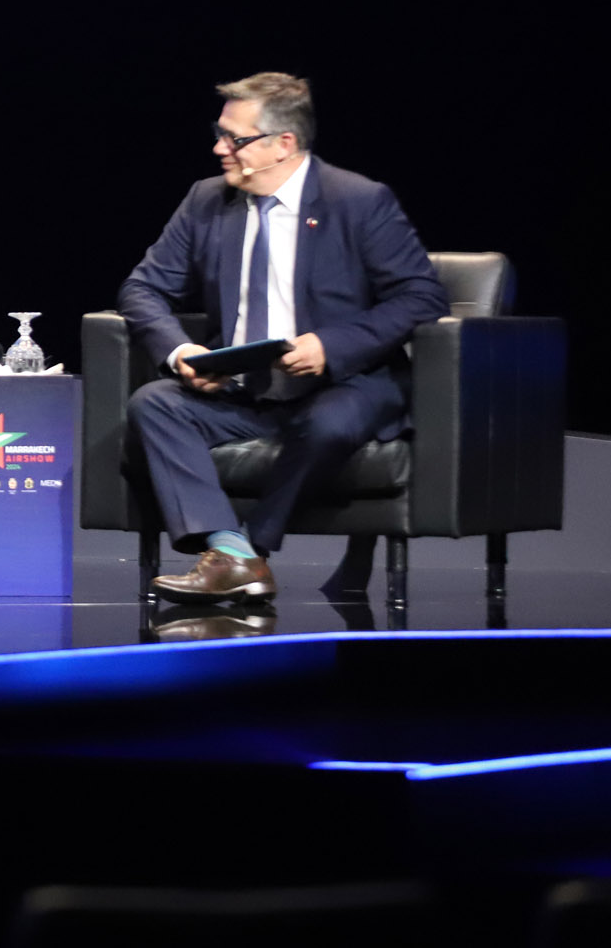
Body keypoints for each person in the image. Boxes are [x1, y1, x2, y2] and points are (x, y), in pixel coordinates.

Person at [118, 72, 448, 604]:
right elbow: (142, 289)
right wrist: (182, 352)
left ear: (283, 144)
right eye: (220, 134)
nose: (219, 148)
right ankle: (229, 549)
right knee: (154, 404)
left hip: (344, 384)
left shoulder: (357, 200)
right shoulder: (207, 200)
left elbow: (421, 296)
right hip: (243, 389)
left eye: (235, 139)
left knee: (329, 422)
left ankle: (249, 550)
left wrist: (330, 346)